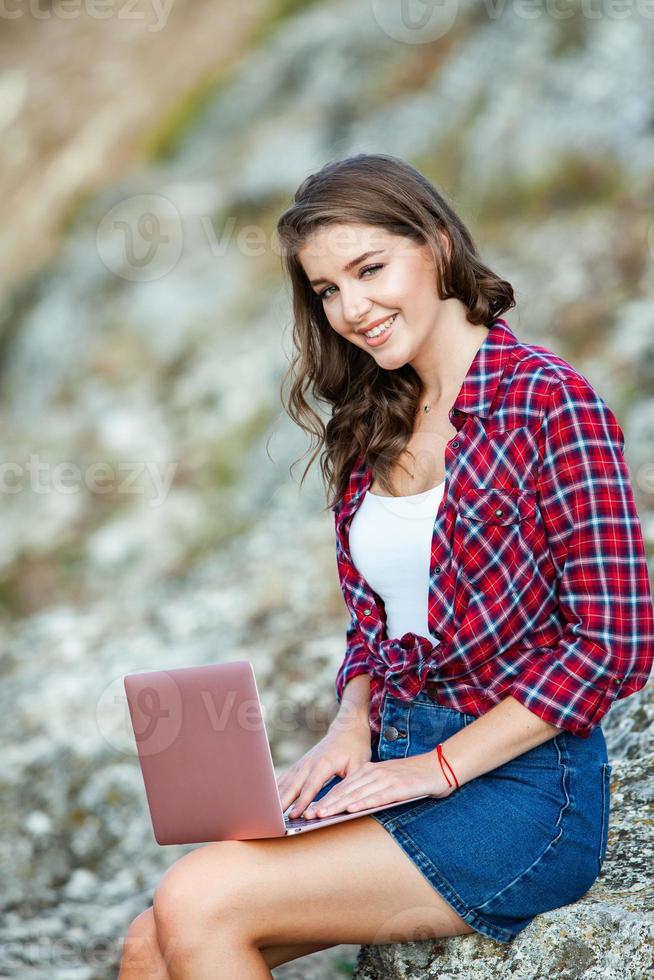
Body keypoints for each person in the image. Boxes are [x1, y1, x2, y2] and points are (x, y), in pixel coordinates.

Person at [118, 154, 654, 978]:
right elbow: (382, 624)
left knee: (198, 896)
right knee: (149, 941)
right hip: (392, 760)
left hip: (521, 794)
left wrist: (435, 769)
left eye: (370, 269)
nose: (353, 309)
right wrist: (351, 722)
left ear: (436, 245)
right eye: (328, 290)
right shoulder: (376, 417)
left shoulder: (551, 401)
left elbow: (612, 644)